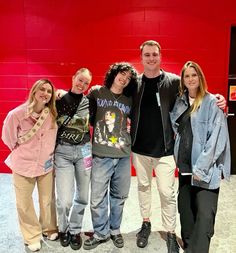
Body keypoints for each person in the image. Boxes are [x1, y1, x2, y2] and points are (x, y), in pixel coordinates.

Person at [130, 40, 226, 253]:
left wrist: (220, 99)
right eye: (147, 55)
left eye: (154, 54)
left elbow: (196, 94)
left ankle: (171, 232)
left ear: (160, 56)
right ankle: (145, 223)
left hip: (165, 151)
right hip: (139, 149)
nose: (151, 58)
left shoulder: (173, 82)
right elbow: (115, 93)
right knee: (143, 188)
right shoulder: (134, 83)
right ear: (141, 57)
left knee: (167, 193)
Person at [170, 61, 230, 253]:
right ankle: (189, 247)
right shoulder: (180, 103)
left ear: (200, 77)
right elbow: (177, 131)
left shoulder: (212, 102)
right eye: (187, 76)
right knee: (186, 215)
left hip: (205, 171)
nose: (190, 79)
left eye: (194, 75)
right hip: (185, 169)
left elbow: (217, 140)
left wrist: (201, 168)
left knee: (205, 217)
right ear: (183, 80)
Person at [83, 62, 138, 250]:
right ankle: (100, 233)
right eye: (121, 74)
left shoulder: (129, 99)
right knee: (97, 198)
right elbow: (79, 104)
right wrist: (59, 94)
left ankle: (115, 230)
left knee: (119, 196)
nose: (124, 79)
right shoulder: (97, 92)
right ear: (114, 74)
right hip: (101, 154)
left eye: (128, 78)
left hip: (123, 155)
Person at [1, 79, 58, 252]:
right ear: (34, 91)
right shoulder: (16, 114)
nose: (45, 93)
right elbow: (8, 138)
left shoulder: (52, 113)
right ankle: (32, 235)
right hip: (23, 165)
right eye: (42, 89)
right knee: (24, 203)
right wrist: (23, 153)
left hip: (46, 165)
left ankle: (49, 228)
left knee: (47, 200)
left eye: (49, 91)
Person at [54, 68, 92, 250]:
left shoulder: (90, 101)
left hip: (85, 151)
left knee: (83, 195)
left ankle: (75, 230)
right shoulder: (59, 99)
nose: (82, 84)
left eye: (86, 82)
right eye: (80, 80)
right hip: (63, 152)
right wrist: (56, 92)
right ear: (73, 77)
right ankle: (63, 228)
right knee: (65, 198)